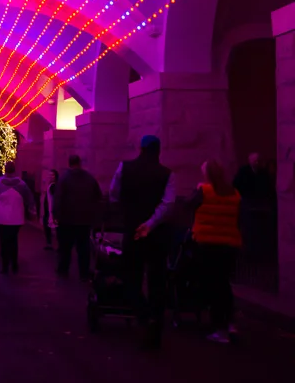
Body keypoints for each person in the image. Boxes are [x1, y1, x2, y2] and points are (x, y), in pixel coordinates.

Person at [110, 135, 175, 349]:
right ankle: (156, 318)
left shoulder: (125, 168)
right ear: (158, 150)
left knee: (131, 275)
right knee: (157, 278)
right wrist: (151, 223)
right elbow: (168, 203)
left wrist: (131, 213)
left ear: (141, 148)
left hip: (132, 228)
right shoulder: (166, 174)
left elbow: (114, 192)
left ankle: (142, 314)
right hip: (156, 234)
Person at [190, 160, 242, 343]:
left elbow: (188, 208)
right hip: (229, 244)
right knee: (224, 285)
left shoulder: (203, 191)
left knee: (213, 286)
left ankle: (220, 329)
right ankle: (230, 323)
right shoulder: (234, 193)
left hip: (208, 243)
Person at [54, 156, 102, 280]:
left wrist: (56, 215)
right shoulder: (89, 178)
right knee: (83, 247)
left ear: (69, 164)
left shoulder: (64, 178)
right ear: (79, 163)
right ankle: (84, 272)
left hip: (67, 219)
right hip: (84, 219)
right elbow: (98, 197)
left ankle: (63, 269)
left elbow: (58, 198)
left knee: (66, 246)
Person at [0, 161, 35, 275]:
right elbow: (29, 198)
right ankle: (14, 264)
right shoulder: (21, 184)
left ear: (5, 170)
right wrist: (30, 209)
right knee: (13, 240)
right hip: (16, 217)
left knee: (4, 241)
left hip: (1, 217)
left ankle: (5, 265)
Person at [42, 169, 59, 251]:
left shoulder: (53, 186)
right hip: (48, 209)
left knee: (51, 226)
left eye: (52, 175)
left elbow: (54, 198)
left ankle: (52, 244)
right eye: (49, 175)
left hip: (51, 210)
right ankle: (50, 243)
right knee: (49, 226)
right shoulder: (51, 185)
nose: (50, 176)